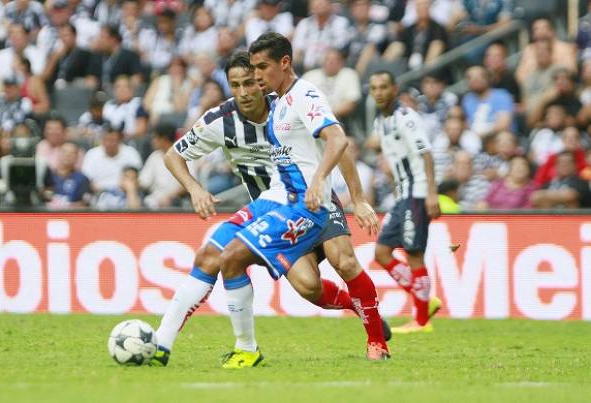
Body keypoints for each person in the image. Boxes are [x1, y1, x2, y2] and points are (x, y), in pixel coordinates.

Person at [152, 49, 390, 368]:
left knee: (344, 261)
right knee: (308, 287)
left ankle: (374, 338)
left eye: (251, 81)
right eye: (235, 85)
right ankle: (160, 345)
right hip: (269, 209)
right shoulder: (220, 121)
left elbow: (338, 143)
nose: (245, 91)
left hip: (314, 198)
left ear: (262, 79)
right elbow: (172, 155)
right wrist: (195, 189)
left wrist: (357, 197)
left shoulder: (289, 102)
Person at [369, 70, 442, 333]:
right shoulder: (382, 121)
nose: (378, 92)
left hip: (418, 192)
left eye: (383, 87)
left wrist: (431, 193)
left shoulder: (405, 117)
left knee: (413, 254)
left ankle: (421, 321)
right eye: (374, 88)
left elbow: (426, 153)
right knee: (382, 252)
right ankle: (425, 299)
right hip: (402, 196)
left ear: (394, 89)